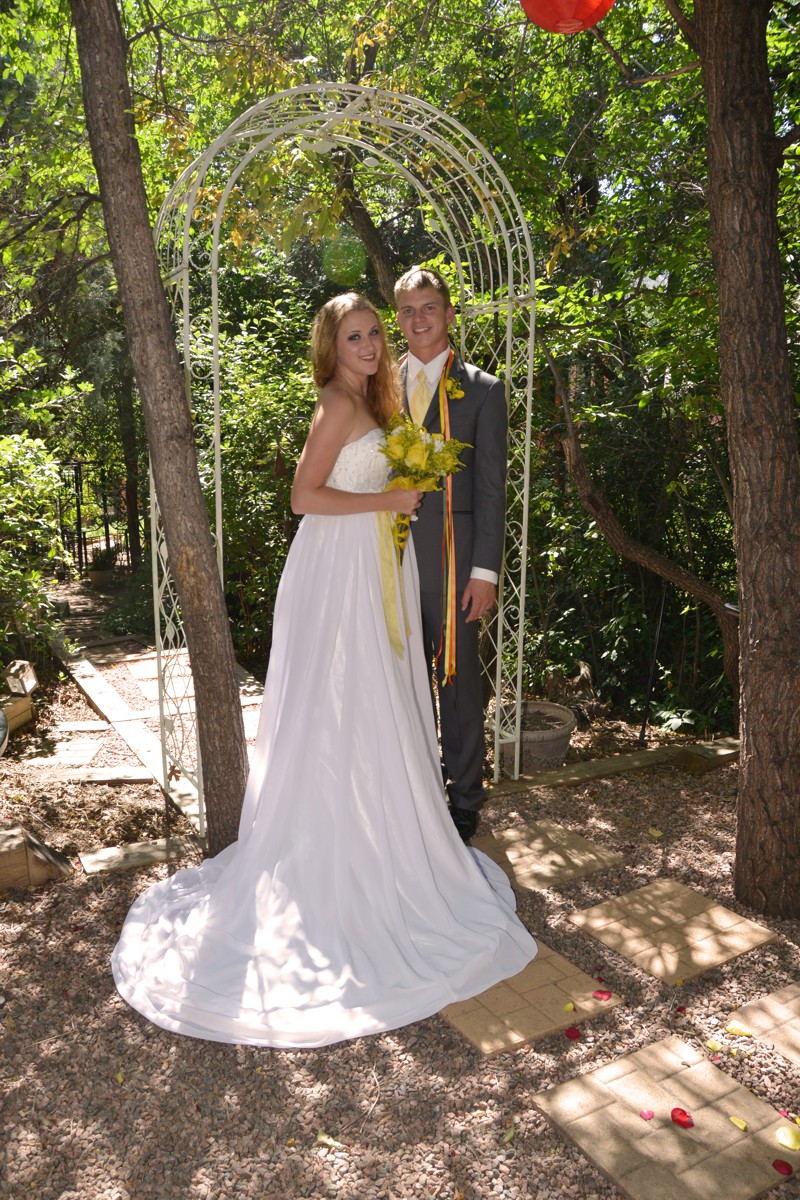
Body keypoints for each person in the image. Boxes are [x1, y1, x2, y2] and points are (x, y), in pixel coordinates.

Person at [111, 293, 537, 1049]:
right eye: (356, 335)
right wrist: (392, 497)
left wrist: (394, 502)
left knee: (376, 709)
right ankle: (330, 850)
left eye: (376, 332)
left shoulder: (380, 395)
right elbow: (303, 496)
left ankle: (378, 837)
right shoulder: (338, 402)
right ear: (331, 345)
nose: (372, 344)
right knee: (341, 706)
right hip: (338, 570)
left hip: (374, 564)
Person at [395, 267, 507, 844]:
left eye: (429, 307)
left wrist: (484, 571)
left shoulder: (483, 390)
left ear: (449, 313)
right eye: (409, 309)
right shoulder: (377, 386)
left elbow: (492, 489)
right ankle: (408, 790)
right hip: (382, 558)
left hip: (455, 556)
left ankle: (464, 797)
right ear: (399, 318)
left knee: (458, 680)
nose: (419, 318)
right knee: (394, 673)